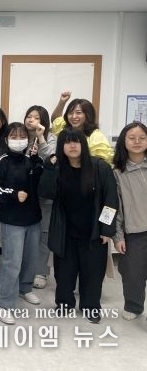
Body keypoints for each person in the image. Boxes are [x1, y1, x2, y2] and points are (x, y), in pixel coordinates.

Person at [38, 128, 118, 324]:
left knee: (93, 273)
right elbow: (46, 192)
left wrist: (107, 229)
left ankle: (91, 306)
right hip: (65, 232)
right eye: (67, 142)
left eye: (76, 141)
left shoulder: (100, 167)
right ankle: (64, 304)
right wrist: (49, 168)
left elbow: (110, 200)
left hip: (94, 233)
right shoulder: (58, 168)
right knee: (64, 273)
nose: (72, 146)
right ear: (61, 147)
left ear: (84, 144)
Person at [0, 122, 43, 325]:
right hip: (11, 220)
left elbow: (40, 181)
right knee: (12, 262)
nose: (18, 139)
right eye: (14, 136)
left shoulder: (31, 159)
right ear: (6, 139)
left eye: (22, 136)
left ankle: (24, 288)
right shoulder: (2, 161)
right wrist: (13, 194)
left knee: (30, 258)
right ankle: (3, 302)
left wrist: (37, 160)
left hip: (33, 218)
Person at [112, 122, 147, 321]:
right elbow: (115, 207)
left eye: (142, 138)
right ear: (123, 142)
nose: (137, 142)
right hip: (134, 231)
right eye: (132, 138)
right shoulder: (117, 172)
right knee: (133, 273)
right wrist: (118, 236)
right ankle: (133, 305)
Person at [24, 105, 57, 290]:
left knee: (44, 233)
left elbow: (51, 159)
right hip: (25, 192)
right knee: (27, 232)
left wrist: (41, 137)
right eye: (29, 116)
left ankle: (41, 271)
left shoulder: (51, 137)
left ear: (43, 121)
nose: (31, 120)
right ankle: (26, 269)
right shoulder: (21, 135)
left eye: (36, 117)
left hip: (45, 192)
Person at [51, 91, 113, 163]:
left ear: (88, 115)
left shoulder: (96, 137)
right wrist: (62, 102)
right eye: (70, 113)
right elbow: (55, 120)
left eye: (78, 113)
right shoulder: (65, 128)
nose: (74, 116)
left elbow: (101, 164)